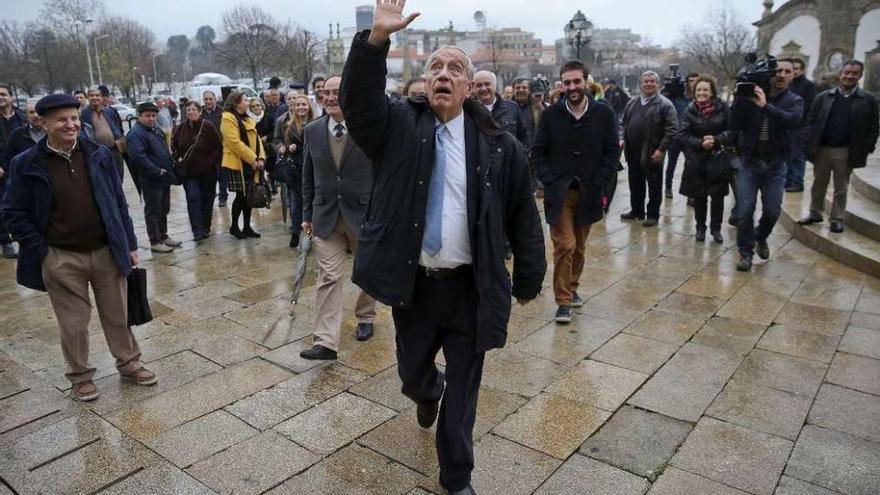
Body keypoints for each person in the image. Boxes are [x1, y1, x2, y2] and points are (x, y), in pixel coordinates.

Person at [341, 2, 546, 493]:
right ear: (425, 80)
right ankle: (425, 391)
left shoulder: (500, 145)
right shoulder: (395, 128)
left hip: (470, 287)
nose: (444, 74)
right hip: (415, 286)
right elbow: (358, 101)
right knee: (413, 376)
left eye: (456, 68)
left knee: (465, 390)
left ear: (470, 85)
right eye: (436, 67)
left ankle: (457, 477)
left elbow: (523, 213)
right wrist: (374, 43)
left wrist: (529, 278)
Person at [0, 94, 156, 401]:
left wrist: (129, 243)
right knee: (73, 323)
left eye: (74, 118)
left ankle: (129, 363)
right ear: (44, 124)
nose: (70, 125)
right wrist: (40, 250)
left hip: (106, 251)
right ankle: (81, 376)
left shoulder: (99, 154)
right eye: (61, 120)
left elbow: (119, 204)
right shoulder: (25, 163)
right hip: (60, 256)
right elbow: (13, 211)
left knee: (118, 313)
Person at [531, 60, 619, 324]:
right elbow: (538, 152)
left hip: (589, 191)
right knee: (564, 245)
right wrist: (549, 179)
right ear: (561, 84)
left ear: (586, 81)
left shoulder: (604, 114)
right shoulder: (550, 115)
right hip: (560, 193)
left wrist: (601, 179)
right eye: (567, 82)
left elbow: (612, 151)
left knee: (579, 247)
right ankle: (563, 300)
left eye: (576, 81)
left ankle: (573, 284)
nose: (572, 87)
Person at [299, 75, 378, 359]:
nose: (331, 97)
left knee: (368, 272)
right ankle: (325, 341)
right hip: (326, 217)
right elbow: (308, 175)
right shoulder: (311, 131)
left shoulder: (368, 130)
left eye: (337, 92)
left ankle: (366, 317)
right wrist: (307, 213)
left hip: (363, 214)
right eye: (325, 93)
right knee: (328, 276)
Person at [731, 58, 803, 271]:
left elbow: (793, 120)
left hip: (775, 164)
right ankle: (745, 252)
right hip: (750, 163)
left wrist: (766, 107)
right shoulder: (752, 95)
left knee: (772, 211)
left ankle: (760, 236)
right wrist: (739, 99)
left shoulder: (794, 100)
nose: (781, 74)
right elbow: (733, 124)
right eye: (777, 70)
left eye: (786, 71)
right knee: (744, 210)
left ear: (792, 75)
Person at [799, 60, 879, 233]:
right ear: (840, 73)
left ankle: (837, 218)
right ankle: (815, 212)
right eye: (847, 72)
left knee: (841, 187)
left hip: (847, 150)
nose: (849, 76)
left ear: (860, 75)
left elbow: (874, 127)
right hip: (823, 149)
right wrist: (808, 141)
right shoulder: (824, 97)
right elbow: (811, 122)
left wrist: (867, 147)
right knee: (818, 184)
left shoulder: (868, 100)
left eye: (854, 73)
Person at [620, 71, 679, 226]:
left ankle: (653, 215)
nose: (649, 84)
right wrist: (622, 139)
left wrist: (661, 149)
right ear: (641, 84)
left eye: (652, 81)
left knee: (654, 185)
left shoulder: (665, 105)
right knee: (635, 182)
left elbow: (672, 129)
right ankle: (637, 210)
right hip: (632, 151)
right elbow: (623, 123)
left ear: (657, 84)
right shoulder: (632, 103)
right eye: (646, 81)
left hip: (653, 152)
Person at [679, 75, 733, 243]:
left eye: (705, 90)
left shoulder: (723, 108)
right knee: (699, 197)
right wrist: (700, 143)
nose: (702, 93)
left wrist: (716, 140)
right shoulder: (690, 110)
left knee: (717, 197)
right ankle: (700, 228)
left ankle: (716, 229)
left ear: (712, 92)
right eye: (699, 90)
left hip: (717, 157)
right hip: (697, 159)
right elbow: (683, 134)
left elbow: (731, 130)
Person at [127, 102, 180, 253]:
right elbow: (138, 157)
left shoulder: (155, 129)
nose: (151, 119)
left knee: (163, 208)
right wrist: (156, 170)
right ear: (139, 116)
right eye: (147, 116)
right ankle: (155, 240)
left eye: (153, 115)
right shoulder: (136, 134)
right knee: (153, 210)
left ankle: (163, 236)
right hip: (151, 179)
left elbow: (164, 148)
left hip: (164, 177)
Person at [172, 101, 222, 242]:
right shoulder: (181, 128)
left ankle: (206, 227)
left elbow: (217, 147)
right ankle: (197, 230)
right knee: (193, 199)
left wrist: (210, 162)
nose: (191, 112)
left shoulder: (208, 127)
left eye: (194, 110)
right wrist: (177, 156)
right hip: (189, 173)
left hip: (208, 172)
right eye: (188, 110)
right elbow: (174, 145)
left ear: (200, 112)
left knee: (207, 200)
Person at [220, 91, 267, 239]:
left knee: (250, 194)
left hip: (251, 163)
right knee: (241, 195)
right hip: (238, 163)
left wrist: (261, 158)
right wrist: (252, 159)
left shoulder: (246, 118)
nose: (248, 103)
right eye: (245, 100)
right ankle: (234, 226)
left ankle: (247, 226)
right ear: (236, 103)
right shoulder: (227, 118)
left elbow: (257, 140)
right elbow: (234, 142)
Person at [274, 92, 314, 248]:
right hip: (295, 170)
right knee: (296, 204)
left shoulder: (317, 122)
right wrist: (287, 148)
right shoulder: (288, 125)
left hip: (313, 169)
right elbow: (279, 142)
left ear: (308, 106)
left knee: (310, 204)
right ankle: (296, 233)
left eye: (304, 104)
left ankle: (310, 235)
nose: (301, 107)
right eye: (298, 105)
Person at [0, 84, 27, 259]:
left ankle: (25, 239)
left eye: (3, 94)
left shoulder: (22, 118)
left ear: (11, 97)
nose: (0, 97)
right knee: (2, 208)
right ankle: (6, 242)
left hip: (22, 169)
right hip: (1, 172)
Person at [472, 70, 530, 149]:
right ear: (473, 88)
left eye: (487, 84)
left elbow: (524, 137)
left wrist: (522, 157)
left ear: (495, 86)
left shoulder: (512, 108)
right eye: (479, 85)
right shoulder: (468, 111)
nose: (483, 88)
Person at [785, 57, 817, 192]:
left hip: (799, 126)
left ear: (802, 70)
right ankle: (789, 180)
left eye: (797, 69)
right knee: (787, 155)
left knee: (798, 156)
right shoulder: (788, 84)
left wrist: (805, 125)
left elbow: (810, 107)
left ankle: (798, 182)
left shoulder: (808, 86)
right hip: (786, 125)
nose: (795, 71)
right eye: (793, 69)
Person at [80, 87, 126, 179]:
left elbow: (118, 127)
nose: (95, 98)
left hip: (114, 150)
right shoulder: (83, 114)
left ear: (101, 97)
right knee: (105, 179)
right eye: (92, 95)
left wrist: (120, 141)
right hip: (97, 153)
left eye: (97, 95)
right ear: (88, 97)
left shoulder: (110, 111)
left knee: (118, 177)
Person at [662, 74, 693, 199]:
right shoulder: (672, 99)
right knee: (671, 164)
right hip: (674, 137)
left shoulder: (691, 100)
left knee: (690, 164)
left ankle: (689, 190)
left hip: (687, 137)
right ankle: (668, 187)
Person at [202, 90, 227, 207]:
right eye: (206, 99)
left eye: (210, 99)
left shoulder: (222, 112)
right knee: (210, 174)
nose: (208, 101)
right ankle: (211, 195)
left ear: (215, 99)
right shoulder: (200, 113)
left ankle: (223, 195)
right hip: (206, 150)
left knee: (222, 174)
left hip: (221, 148)